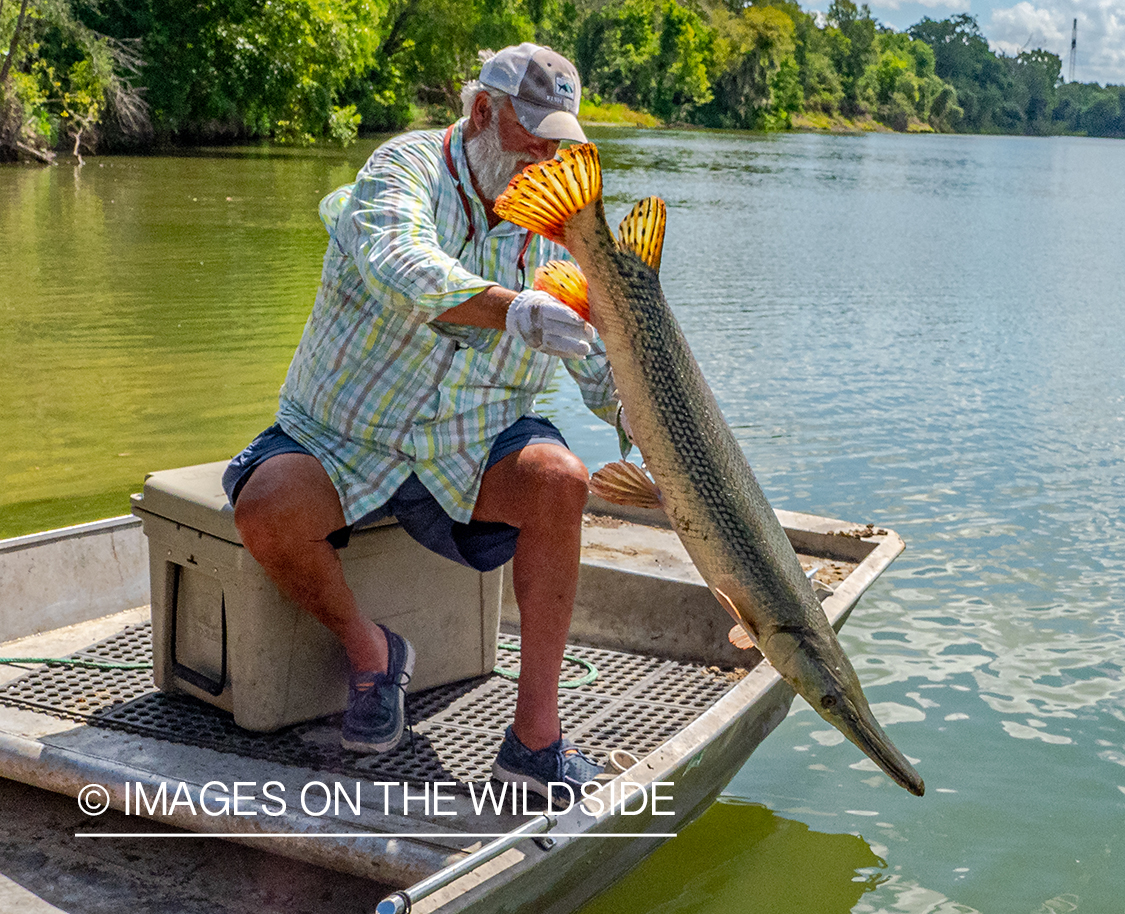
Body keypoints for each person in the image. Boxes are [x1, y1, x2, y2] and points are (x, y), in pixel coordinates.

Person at [221, 43, 620, 796]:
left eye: (557, 140)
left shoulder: (557, 227)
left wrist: (648, 425)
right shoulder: (404, 167)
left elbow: (603, 365)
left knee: (560, 480)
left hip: (472, 444)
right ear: (479, 112)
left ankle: (535, 742)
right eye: (530, 133)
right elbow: (399, 260)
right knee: (267, 506)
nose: (544, 154)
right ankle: (373, 654)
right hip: (343, 433)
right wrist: (516, 309)